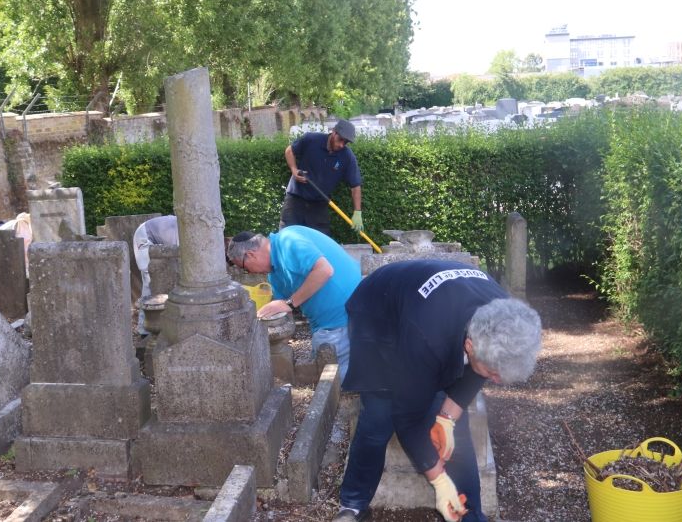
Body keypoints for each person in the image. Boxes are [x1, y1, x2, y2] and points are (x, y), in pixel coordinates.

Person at [333, 260, 542, 522]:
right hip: (378, 316)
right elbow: (408, 419)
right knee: (379, 417)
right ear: (469, 346)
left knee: (456, 432)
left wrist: (447, 418)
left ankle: (470, 516)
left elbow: (477, 371)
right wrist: (440, 482)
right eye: (492, 374)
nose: (494, 381)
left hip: (426, 313)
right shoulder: (427, 337)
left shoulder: (505, 314)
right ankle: (353, 505)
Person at [227, 226, 361, 381]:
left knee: (340, 382)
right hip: (325, 324)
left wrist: (289, 303)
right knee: (322, 370)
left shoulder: (288, 240)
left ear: (250, 255)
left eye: (244, 268)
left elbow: (324, 270)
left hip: (346, 315)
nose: (249, 273)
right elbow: (280, 309)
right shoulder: (275, 274)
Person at [281, 119, 363, 236]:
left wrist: (357, 212)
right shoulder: (311, 139)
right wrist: (294, 170)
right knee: (287, 236)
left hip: (319, 205)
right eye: (340, 140)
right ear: (334, 132)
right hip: (295, 199)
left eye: (345, 143)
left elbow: (355, 186)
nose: (341, 145)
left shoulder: (347, 157)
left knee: (321, 243)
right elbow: (289, 151)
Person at [132, 215, 178, 335]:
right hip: (144, 236)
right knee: (149, 281)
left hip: (158, 240)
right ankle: (144, 330)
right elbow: (180, 259)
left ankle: (164, 323)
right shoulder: (181, 233)